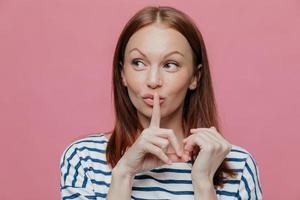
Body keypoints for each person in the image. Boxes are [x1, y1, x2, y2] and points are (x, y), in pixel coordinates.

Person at [60, 5, 262, 200]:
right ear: (122, 73)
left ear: (195, 77)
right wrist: (123, 174)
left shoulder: (238, 165)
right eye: (138, 63)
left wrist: (203, 184)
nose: (153, 81)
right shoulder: (83, 158)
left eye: (170, 65)